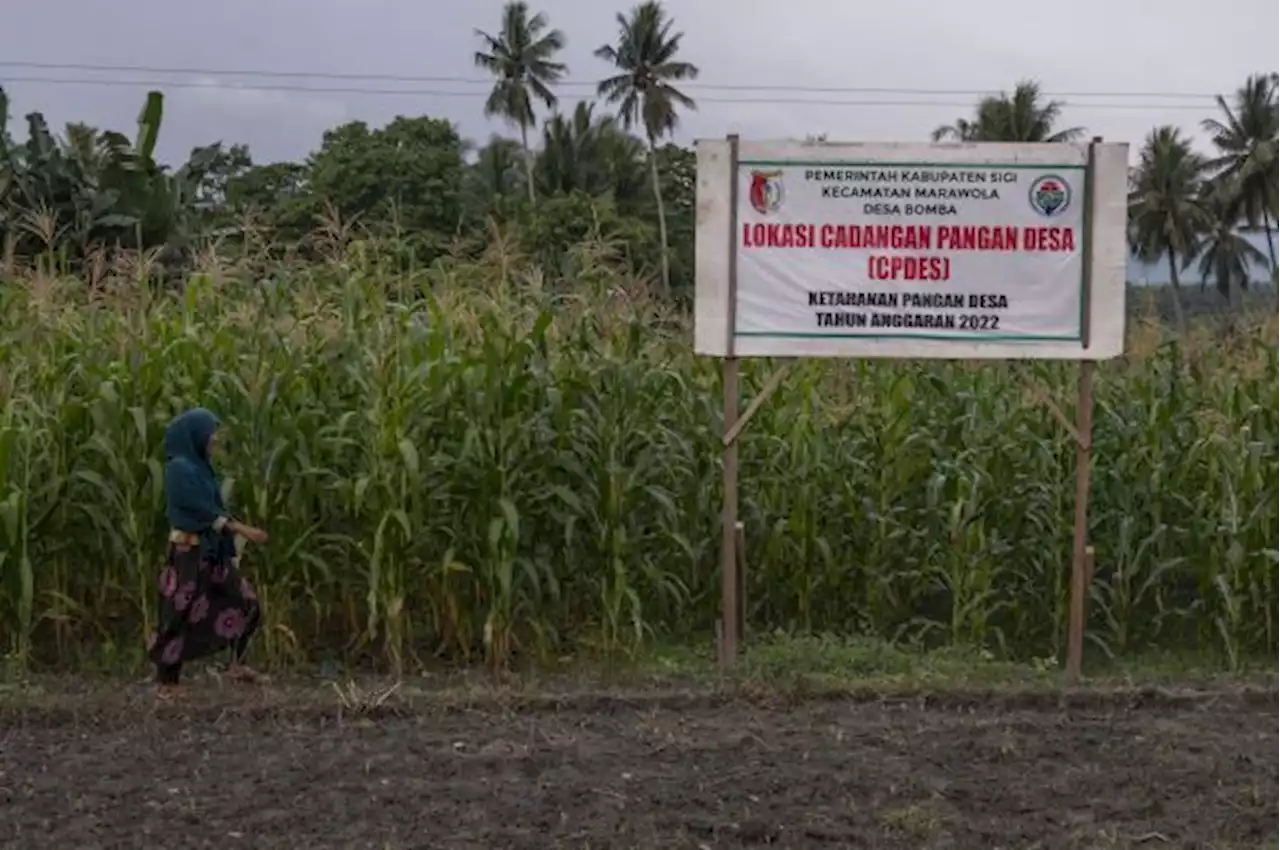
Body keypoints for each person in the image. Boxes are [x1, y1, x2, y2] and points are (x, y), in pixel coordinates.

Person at [146, 407, 269, 698]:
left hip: (211, 553)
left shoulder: (201, 468)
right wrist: (241, 529)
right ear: (195, 435)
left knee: (247, 602)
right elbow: (198, 508)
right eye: (210, 433)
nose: (214, 439)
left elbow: (213, 507)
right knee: (178, 615)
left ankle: (237, 664)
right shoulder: (178, 468)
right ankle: (167, 682)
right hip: (188, 554)